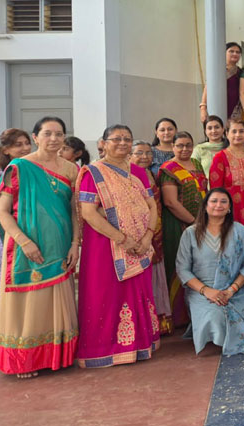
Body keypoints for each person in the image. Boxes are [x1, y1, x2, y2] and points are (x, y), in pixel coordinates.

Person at [0, 117, 79, 378]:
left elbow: (75, 212)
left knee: (57, 300)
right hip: (26, 247)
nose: (54, 138)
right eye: (47, 133)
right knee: (29, 301)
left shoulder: (71, 169)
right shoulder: (19, 167)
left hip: (60, 245)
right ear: (35, 137)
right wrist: (25, 242)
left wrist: (75, 243)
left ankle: (58, 357)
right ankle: (25, 361)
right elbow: (2, 211)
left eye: (59, 134)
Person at [75, 124, 161, 368]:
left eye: (127, 139)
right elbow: (89, 213)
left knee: (138, 292)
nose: (122, 143)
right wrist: (124, 239)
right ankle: (105, 350)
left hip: (141, 245)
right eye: (116, 139)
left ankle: (139, 346)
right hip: (106, 245)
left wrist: (147, 237)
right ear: (103, 143)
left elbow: (151, 206)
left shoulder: (137, 171)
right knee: (107, 294)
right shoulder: (93, 173)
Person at [176, 188, 244, 356]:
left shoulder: (240, 232)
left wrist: (231, 290)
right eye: (214, 201)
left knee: (233, 314)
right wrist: (207, 291)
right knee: (215, 316)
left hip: (234, 291)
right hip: (201, 292)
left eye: (224, 202)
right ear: (206, 206)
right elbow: (182, 269)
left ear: (229, 207)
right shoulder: (190, 234)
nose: (218, 205)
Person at [159, 130, 209, 329]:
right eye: (180, 145)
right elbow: (170, 202)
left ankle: (192, 312)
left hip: (199, 222)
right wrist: (193, 222)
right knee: (178, 265)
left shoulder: (196, 164)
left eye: (188, 145)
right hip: (178, 224)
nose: (185, 149)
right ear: (172, 147)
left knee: (197, 265)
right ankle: (174, 316)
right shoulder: (168, 169)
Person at [0, 129, 32, 354]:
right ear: (6, 150)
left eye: (27, 143)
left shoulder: (33, 169)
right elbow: (0, 212)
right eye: (18, 145)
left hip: (35, 236)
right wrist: (17, 237)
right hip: (9, 236)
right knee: (5, 285)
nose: (25, 148)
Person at [131, 140, 173, 334]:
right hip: (138, 232)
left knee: (157, 270)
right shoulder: (128, 175)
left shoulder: (151, 173)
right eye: (139, 153)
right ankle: (142, 322)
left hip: (156, 230)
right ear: (130, 154)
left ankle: (159, 320)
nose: (145, 157)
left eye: (148, 153)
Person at [210, 119, 244, 234]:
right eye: (234, 131)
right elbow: (215, 189)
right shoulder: (220, 157)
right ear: (227, 134)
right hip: (230, 209)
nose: (238, 135)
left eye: (241, 131)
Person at [200, 41, 244, 122]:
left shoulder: (241, 72)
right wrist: (203, 108)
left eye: (238, 52)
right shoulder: (217, 70)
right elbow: (207, 88)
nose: (235, 54)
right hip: (216, 106)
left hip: (235, 110)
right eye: (231, 51)